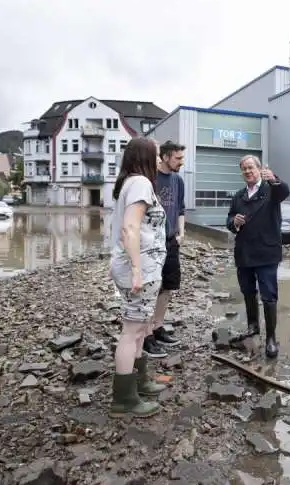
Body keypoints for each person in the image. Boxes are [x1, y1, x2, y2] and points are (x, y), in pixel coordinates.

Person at [108, 137, 167, 418]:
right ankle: (124, 399)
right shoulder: (141, 183)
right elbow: (129, 229)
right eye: (156, 155)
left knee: (141, 328)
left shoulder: (129, 184)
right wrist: (136, 270)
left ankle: (140, 382)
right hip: (139, 268)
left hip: (143, 267)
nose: (159, 160)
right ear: (144, 156)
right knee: (132, 332)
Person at [226, 155, 290, 358]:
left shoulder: (271, 190)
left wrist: (274, 178)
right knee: (247, 291)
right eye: (244, 169)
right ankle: (253, 326)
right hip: (244, 252)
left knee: (269, 296)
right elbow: (228, 220)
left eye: (251, 167)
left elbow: (284, 190)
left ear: (259, 169)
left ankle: (271, 338)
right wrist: (234, 222)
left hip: (266, 252)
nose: (247, 171)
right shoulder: (238, 196)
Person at [142, 140, 186, 358]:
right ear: (166, 157)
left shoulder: (178, 180)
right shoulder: (149, 179)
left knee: (168, 287)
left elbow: (181, 208)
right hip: (151, 243)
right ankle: (146, 335)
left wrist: (181, 232)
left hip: (170, 241)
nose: (181, 162)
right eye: (178, 158)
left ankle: (158, 327)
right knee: (151, 288)